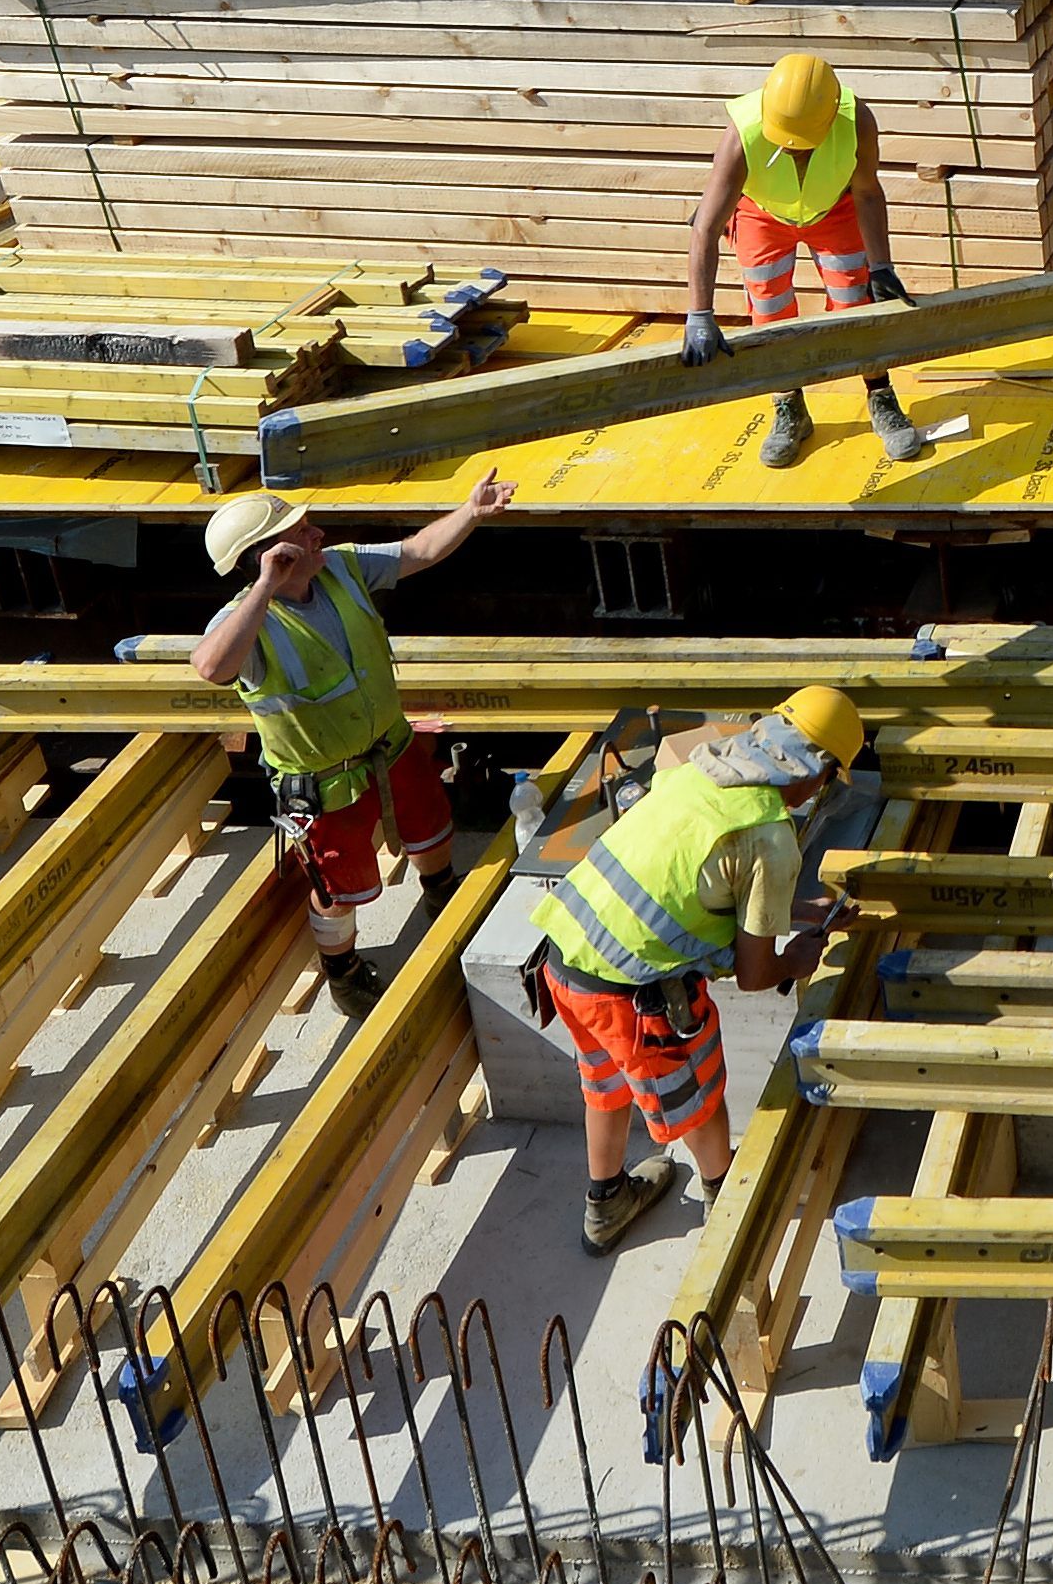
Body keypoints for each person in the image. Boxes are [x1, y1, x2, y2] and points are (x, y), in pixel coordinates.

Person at [523, 687, 861, 1252]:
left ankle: (605, 1204)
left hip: (567, 959)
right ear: (816, 771)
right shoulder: (772, 840)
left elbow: (702, 882)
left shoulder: (702, 772)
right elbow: (755, 975)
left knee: (605, 1088)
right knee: (701, 1097)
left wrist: (795, 909)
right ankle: (723, 1196)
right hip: (634, 997)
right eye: (828, 780)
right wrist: (800, 953)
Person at [190, 473, 514, 1020]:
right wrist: (266, 589)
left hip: (391, 745)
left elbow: (418, 550)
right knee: (338, 886)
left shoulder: (341, 566)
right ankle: (343, 973)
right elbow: (210, 667)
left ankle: (439, 890)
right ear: (277, 556)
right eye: (302, 531)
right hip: (324, 784)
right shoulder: (247, 622)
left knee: (431, 826)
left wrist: (470, 512)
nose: (318, 534)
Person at [681, 51, 929, 470]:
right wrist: (699, 313)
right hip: (763, 215)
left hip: (834, 209)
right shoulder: (742, 133)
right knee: (770, 308)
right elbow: (705, 226)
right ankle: (789, 408)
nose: (794, 151)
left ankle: (881, 395)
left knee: (855, 302)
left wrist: (882, 266)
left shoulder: (856, 122)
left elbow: (867, 191)